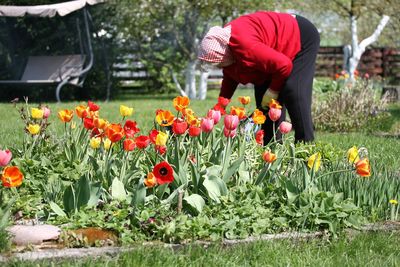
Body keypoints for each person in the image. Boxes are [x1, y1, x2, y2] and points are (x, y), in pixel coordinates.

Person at [198, 11, 320, 144]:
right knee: (265, 104)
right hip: (271, 53)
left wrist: (273, 90)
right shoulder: (228, 52)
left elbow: (284, 65)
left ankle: (306, 147)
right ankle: (272, 150)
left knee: (293, 91)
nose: (218, 67)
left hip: (299, 35)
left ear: (225, 54)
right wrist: (219, 107)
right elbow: (230, 77)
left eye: (218, 62)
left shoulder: (246, 46)